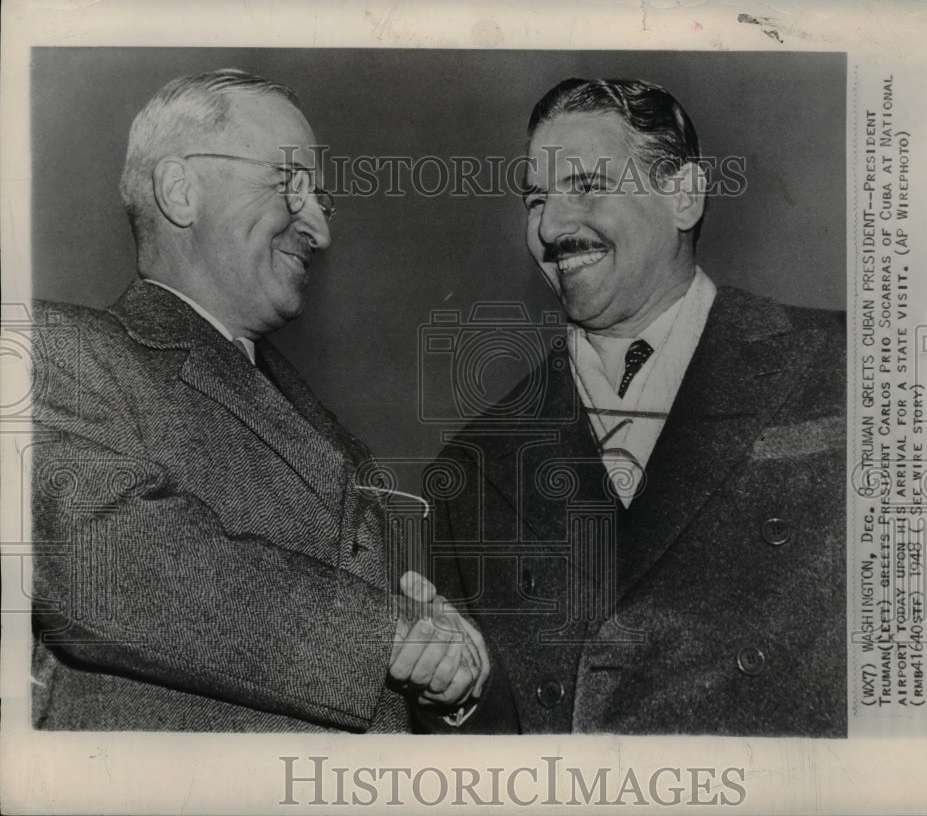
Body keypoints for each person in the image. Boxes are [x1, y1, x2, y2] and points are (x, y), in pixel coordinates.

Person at [30, 69, 487, 732]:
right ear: (180, 191)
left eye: (320, 199)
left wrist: (447, 670)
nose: (320, 232)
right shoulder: (59, 351)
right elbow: (97, 562)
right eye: (290, 183)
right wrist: (386, 635)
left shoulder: (328, 430)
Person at [429, 77, 846, 736]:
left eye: (587, 187)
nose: (553, 227)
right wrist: (454, 695)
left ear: (683, 197)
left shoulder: (849, 368)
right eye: (536, 199)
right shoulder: (473, 469)